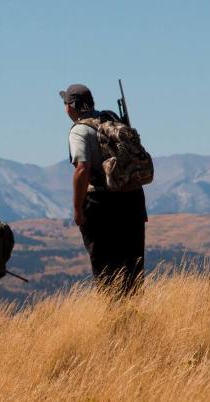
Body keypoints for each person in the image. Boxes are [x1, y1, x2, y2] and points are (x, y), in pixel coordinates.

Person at [60, 84, 148, 296]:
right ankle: (136, 309)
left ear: (71, 106)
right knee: (133, 264)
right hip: (133, 199)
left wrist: (77, 209)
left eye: (65, 103)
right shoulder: (112, 119)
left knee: (105, 266)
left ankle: (113, 311)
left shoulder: (80, 130)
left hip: (101, 204)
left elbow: (82, 169)